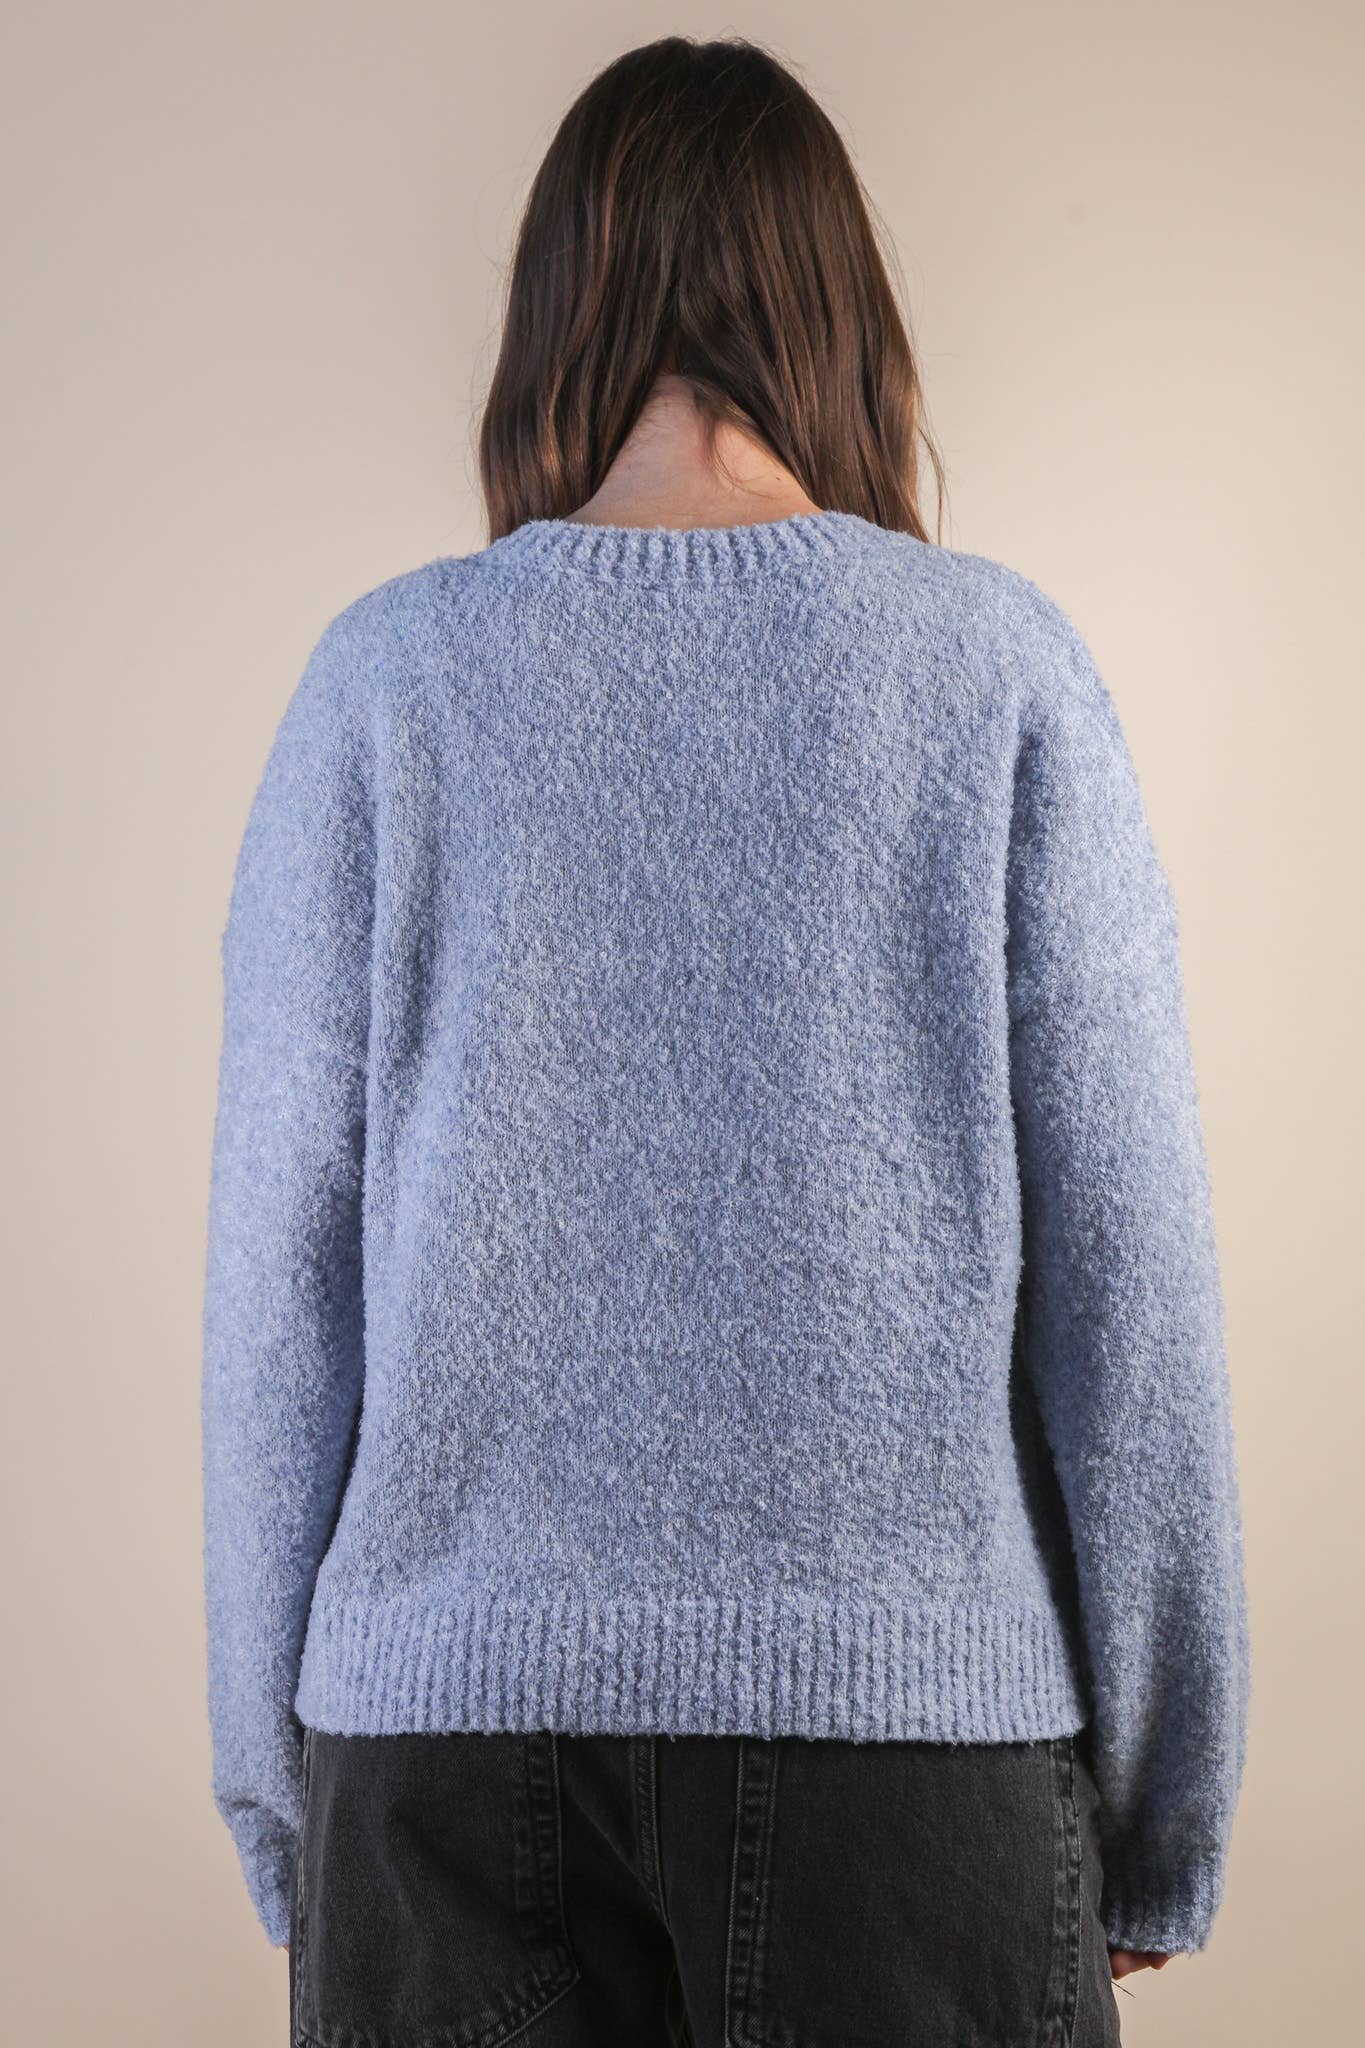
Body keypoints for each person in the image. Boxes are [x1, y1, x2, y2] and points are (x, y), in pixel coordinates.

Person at [201, 33, 1250, 2048]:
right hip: (915, 1762)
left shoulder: (384, 685)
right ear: (840, 318)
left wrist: (282, 1794)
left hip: (437, 1765)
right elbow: (1130, 1275)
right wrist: (1159, 1806)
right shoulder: (992, 671)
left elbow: (280, 1282)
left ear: (553, 324)